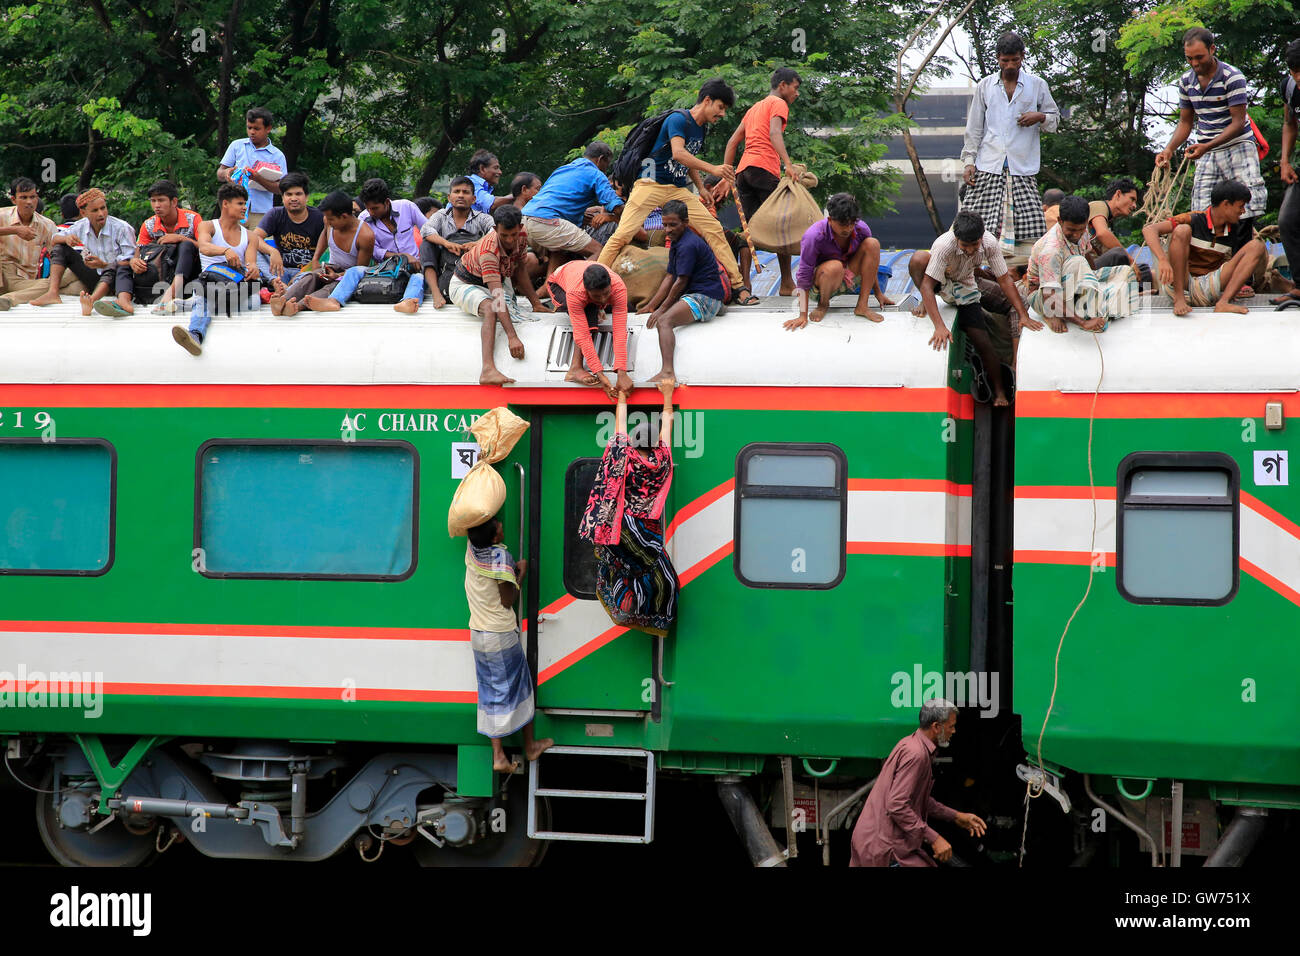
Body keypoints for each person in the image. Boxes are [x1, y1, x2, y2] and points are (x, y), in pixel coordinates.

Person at [597, 78, 745, 293]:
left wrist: (701, 187)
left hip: (676, 190)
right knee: (622, 235)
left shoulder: (701, 129)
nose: (722, 114)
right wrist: (713, 169)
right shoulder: (678, 119)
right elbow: (678, 153)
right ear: (707, 100)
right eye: (720, 107)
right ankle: (593, 281)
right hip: (650, 184)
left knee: (713, 229)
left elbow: (688, 159)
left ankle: (738, 285)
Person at [578, 379, 680, 637]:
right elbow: (667, 426)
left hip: (621, 528)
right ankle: (650, 615)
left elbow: (619, 426)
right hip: (647, 529)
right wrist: (667, 396)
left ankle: (623, 602)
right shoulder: (662, 459)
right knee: (656, 572)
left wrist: (622, 397)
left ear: (633, 441)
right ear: (654, 444)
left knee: (618, 566)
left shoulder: (623, 453)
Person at [908, 210, 1039, 407]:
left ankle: (1000, 393)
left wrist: (1022, 314)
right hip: (940, 281)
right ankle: (925, 303)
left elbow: (1004, 278)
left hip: (966, 284)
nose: (970, 250)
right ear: (956, 238)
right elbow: (927, 285)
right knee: (918, 258)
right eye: (964, 245)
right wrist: (939, 326)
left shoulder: (989, 243)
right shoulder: (944, 246)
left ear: (981, 237)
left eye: (974, 245)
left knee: (983, 342)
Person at [463, 515, 553, 773]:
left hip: (478, 634)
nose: (502, 525)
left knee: (491, 691)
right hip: (500, 635)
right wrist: (520, 573)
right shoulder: (502, 561)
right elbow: (507, 600)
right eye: (498, 527)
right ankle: (531, 746)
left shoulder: (472, 554)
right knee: (520, 685)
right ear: (494, 538)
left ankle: (499, 755)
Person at [849, 699, 987, 867]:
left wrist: (956, 816)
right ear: (936, 727)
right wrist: (934, 838)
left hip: (878, 841)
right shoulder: (917, 755)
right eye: (951, 726)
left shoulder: (913, 744)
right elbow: (897, 805)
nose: (954, 731)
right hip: (884, 846)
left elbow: (917, 799)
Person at [1155, 28, 1267, 232]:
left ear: (1212, 49)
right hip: (1207, 149)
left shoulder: (1232, 77)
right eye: (1189, 59)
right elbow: (1185, 122)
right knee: (1201, 210)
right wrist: (1169, 149)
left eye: (1199, 57)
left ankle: (1243, 253)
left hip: (1237, 145)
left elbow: (1238, 123)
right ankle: (1212, 258)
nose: (1195, 63)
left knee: (1245, 206)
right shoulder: (1186, 82)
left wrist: (1206, 146)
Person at [960, 32, 1060, 252]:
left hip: (1022, 168)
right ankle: (974, 266)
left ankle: (1022, 273)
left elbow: (1054, 119)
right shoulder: (985, 86)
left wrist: (1039, 116)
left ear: (1022, 56)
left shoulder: (1037, 85)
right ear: (998, 58)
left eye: (1015, 60)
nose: (1010, 65)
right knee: (974, 226)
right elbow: (974, 128)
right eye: (1005, 61)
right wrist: (969, 162)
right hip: (988, 165)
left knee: (1031, 232)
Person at [720, 66, 802, 295]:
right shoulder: (778, 103)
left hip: (744, 173)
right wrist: (788, 164)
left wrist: (728, 177)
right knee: (782, 226)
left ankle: (745, 284)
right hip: (764, 170)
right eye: (795, 88)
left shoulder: (754, 108)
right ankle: (787, 283)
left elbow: (731, 143)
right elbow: (774, 133)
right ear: (783, 86)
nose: (796, 94)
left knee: (750, 229)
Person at [171, 183, 274, 355]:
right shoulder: (207, 226)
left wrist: (253, 269)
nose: (244, 208)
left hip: (233, 290)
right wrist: (225, 251)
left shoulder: (250, 236)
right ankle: (195, 335)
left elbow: (250, 263)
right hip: (210, 286)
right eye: (240, 204)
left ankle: (192, 304)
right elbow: (203, 247)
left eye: (245, 204)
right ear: (225, 204)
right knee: (206, 295)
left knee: (254, 302)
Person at [450, 204, 547, 385]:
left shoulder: (522, 236)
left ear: (520, 228)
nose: (510, 240)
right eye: (504, 236)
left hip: (499, 279)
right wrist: (512, 337)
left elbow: (519, 269)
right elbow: (497, 298)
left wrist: (536, 302)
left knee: (519, 314)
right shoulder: (489, 251)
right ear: (495, 229)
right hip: (466, 283)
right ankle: (487, 369)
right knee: (491, 309)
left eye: (513, 235)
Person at [1142, 178, 1266, 316]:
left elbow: (1238, 263)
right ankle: (1179, 298)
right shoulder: (1194, 219)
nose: (1243, 211)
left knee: (1257, 246)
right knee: (1182, 230)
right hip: (1182, 284)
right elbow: (1149, 230)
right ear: (1226, 204)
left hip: (1211, 285)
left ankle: (1223, 303)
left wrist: (1236, 287)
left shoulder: (1236, 229)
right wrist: (1163, 260)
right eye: (1240, 206)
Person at [1022, 195, 1139, 334]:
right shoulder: (1051, 250)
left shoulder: (1082, 231)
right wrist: (1083, 322)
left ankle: (1097, 307)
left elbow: (1087, 254)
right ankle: (1053, 314)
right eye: (1071, 230)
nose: (1077, 235)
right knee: (1077, 261)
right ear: (1060, 221)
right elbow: (1050, 295)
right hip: (1045, 295)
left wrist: (1096, 281)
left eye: (1080, 229)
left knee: (1125, 272)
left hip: (1073, 283)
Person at [639, 199, 725, 383]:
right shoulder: (677, 241)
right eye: (665, 225)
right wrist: (651, 305)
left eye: (673, 225)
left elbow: (680, 281)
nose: (668, 230)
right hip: (695, 294)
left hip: (705, 297)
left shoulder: (687, 245)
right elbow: (670, 276)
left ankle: (667, 372)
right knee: (661, 316)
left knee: (664, 322)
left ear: (686, 223)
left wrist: (662, 309)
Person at [785, 192, 888, 330]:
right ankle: (823, 305)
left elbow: (870, 262)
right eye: (843, 224)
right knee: (835, 267)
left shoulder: (861, 229)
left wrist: (878, 293)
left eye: (851, 223)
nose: (848, 229)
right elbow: (804, 275)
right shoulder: (814, 236)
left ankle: (862, 306)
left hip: (849, 276)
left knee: (873, 244)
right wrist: (802, 314)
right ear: (830, 220)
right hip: (822, 284)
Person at [523, 142, 626, 276]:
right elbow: (617, 208)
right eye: (607, 164)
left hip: (525, 220)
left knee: (560, 251)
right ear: (600, 159)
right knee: (598, 251)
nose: (606, 170)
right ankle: (576, 289)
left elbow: (558, 200)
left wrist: (579, 217)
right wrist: (616, 216)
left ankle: (548, 290)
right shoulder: (596, 174)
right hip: (547, 222)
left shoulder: (562, 169)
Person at [41, 189, 139, 317]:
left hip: (118, 281)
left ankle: (92, 301)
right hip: (94, 278)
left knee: (116, 265)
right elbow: (54, 238)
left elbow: (128, 262)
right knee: (60, 247)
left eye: (103, 208)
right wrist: (66, 238)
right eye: (95, 210)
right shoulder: (81, 225)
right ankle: (53, 292)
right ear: (83, 213)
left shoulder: (122, 228)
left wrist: (103, 264)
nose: (101, 214)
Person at [546, 260, 633, 394]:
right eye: (597, 296)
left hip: (580, 272)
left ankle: (595, 304)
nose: (603, 299)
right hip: (558, 283)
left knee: (628, 307)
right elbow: (582, 335)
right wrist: (600, 374)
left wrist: (622, 372)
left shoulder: (618, 287)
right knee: (589, 315)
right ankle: (575, 369)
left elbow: (620, 330)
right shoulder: (575, 293)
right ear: (587, 291)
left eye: (606, 293)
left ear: (610, 285)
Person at [284, 190, 376, 316]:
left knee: (332, 286)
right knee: (311, 277)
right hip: (331, 267)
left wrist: (338, 275)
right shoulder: (328, 221)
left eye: (331, 219)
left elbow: (359, 271)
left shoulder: (365, 235)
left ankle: (298, 306)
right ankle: (283, 299)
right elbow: (324, 234)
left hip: (348, 276)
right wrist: (316, 258)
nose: (327, 221)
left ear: (344, 216)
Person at [418, 176, 494, 309]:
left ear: (473, 198)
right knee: (426, 244)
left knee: (494, 243)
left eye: (466, 192)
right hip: (447, 265)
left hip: (474, 269)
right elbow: (426, 230)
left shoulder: (483, 218)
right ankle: (436, 293)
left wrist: (477, 244)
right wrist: (446, 243)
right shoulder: (441, 215)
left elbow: (495, 231)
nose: (461, 195)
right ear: (449, 197)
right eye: (457, 191)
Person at [128, 180, 203, 314]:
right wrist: (134, 262)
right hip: (162, 275)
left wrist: (180, 238)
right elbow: (138, 252)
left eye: (161, 200)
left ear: (174, 202)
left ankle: (170, 295)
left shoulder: (193, 219)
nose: (156, 205)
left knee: (186, 245)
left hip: (191, 275)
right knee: (122, 264)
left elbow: (206, 248)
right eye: (153, 201)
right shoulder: (149, 224)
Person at [254, 173, 324, 315]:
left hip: (305, 273)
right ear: (283, 197)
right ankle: (277, 284)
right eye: (288, 194)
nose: (293, 198)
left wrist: (305, 272)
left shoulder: (319, 217)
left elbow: (327, 252)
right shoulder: (275, 214)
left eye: (298, 194)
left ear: (306, 196)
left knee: (314, 274)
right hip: (279, 271)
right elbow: (253, 238)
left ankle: (285, 295)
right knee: (252, 249)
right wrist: (273, 252)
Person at [356, 177, 427, 313]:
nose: (371, 212)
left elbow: (428, 230)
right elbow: (374, 251)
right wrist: (403, 257)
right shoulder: (363, 219)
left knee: (418, 278)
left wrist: (423, 259)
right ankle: (334, 299)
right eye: (368, 208)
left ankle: (408, 301)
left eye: (375, 208)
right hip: (383, 270)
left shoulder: (407, 206)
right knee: (355, 271)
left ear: (387, 202)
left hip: (414, 267)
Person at [216, 107, 286, 230]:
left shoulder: (277, 155)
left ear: (268, 128)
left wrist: (258, 179)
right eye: (249, 128)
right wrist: (226, 173)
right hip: (233, 208)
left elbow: (282, 188)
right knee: (232, 245)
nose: (252, 132)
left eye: (257, 129)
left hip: (261, 212)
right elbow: (220, 173)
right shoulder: (237, 146)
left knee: (259, 246)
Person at [0, 177, 56, 311]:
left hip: (23, 280)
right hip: (2, 272)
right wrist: (14, 230)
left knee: (52, 284)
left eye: (33, 197)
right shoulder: (2, 215)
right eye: (23, 197)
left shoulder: (47, 225)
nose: (29, 202)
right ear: (14, 199)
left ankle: (8, 299)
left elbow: (57, 255)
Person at [1084, 178, 1152, 288]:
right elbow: (1102, 233)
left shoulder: (1108, 220)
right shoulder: (1099, 206)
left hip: (1095, 267)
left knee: (1143, 270)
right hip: (1085, 270)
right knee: (1119, 254)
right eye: (1132, 199)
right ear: (1118, 194)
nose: (1134, 206)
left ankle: (1138, 294)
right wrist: (1130, 259)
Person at [701, 174, 756, 304]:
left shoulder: (711, 204)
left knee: (743, 238)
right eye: (723, 192)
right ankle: (739, 284)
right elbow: (714, 230)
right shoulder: (705, 202)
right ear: (709, 188)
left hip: (713, 239)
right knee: (730, 236)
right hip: (705, 242)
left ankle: (745, 284)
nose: (725, 198)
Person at [1274, 38, 1300, 305]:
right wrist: (1285, 161)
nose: (1299, 77)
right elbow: (1290, 123)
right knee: (1288, 220)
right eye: (1295, 72)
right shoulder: (1290, 88)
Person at [468, 150, 511, 214]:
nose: (500, 172)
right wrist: (518, 194)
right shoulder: (469, 182)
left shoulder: (485, 188)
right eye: (496, 168)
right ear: (482, 169)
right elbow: (492, 203)